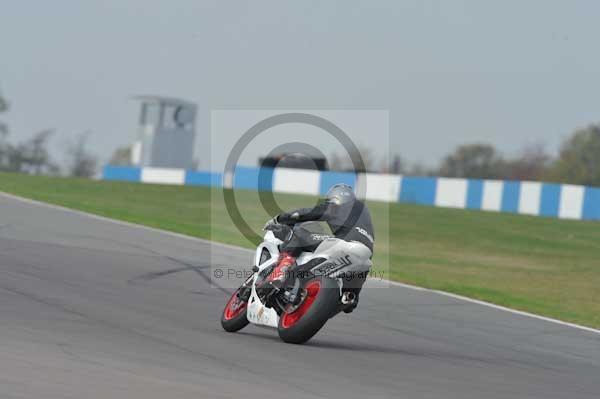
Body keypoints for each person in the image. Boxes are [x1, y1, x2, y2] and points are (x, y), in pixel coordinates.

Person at [267, 183, 375, 313]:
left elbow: (304, 214)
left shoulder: (336, 206)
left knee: (299, 234)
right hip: (365, 255)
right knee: (350, 298)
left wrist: (279, 219)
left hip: (344, 243)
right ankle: (349, 297)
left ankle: (281, 272)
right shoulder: (364, 211)